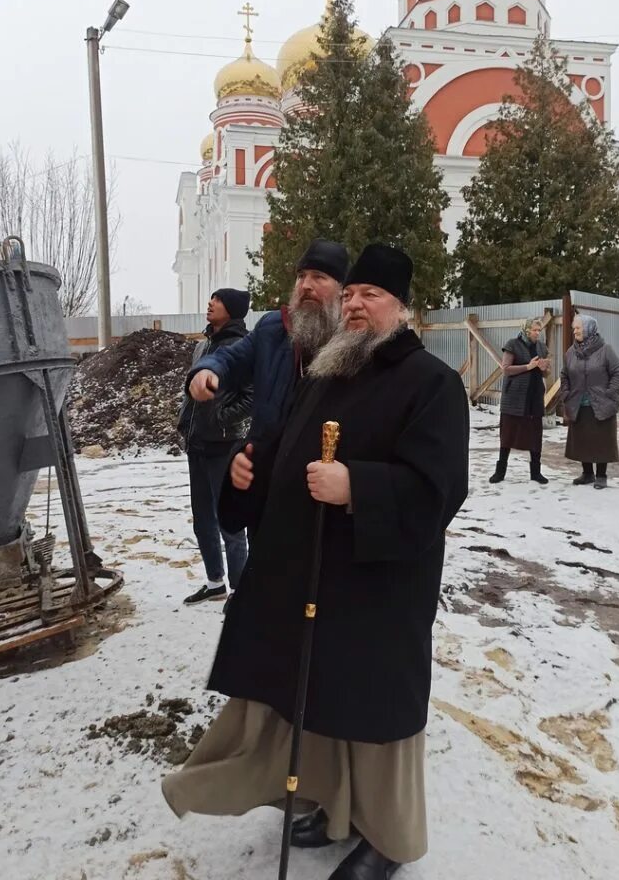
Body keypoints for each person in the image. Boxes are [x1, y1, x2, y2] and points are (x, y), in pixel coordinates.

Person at [162, 244, 470, 880]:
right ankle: (337, 811)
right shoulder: (328, 372)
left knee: (377, 714)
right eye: (350, 294)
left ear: (401, 309)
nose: (355, 305)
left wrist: (357, 485)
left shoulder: (432, 383)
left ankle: (389, 837)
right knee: (327, 703)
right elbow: (286, 448)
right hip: (317, 580)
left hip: (382, 584)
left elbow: (440, 488)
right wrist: (252, 469)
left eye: (371, 296)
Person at [188, 238, 349, 449]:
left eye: (319, 277)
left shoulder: (353, 339)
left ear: (342, 290)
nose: (306, 285)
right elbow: (231, 358)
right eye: (301, 276)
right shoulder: (273, 329)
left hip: (327, 469)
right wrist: (208, 370)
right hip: (270, 466)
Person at [178, 289, 253, 605]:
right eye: (210, 299)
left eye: (218, 300)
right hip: (198, 443)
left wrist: (222, 418)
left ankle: (241, 589)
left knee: (230, 522)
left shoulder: (242, 348)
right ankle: (214, 582)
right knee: (202, 519)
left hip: (225, 445)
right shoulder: (202, 346)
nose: (210, 304)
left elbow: (252, 396)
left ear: (232, 310)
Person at [561, 314, 619, 489]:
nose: (575, 332)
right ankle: (587, 473)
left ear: (589, 329)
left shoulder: (605, 350)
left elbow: (618, 372)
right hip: (578, 403)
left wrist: (611, 393)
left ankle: (601, 475)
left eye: (578, 328)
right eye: (574, 328)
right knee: (582, 440)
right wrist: (566, 393)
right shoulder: (571, 352)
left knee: (601, 440)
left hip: (601, 403)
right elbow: (564, 375)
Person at [489, 317, 552, 485]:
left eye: (539, 330)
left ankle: (536, 473)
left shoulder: (541, 347)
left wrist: (544, 368)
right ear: (526, 330)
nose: (537, 333)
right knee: (508, 434)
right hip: (515, 398)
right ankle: (500, 472)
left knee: (535, 435)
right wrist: (528, 367)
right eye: (534, 330)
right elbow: (506, 369)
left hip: (534, 396)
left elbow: (545, 373)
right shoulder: (512, 344)